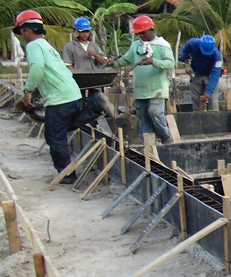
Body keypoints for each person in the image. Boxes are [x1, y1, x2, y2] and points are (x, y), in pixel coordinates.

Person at [14, 10, 98, 184]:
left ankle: (67, 174)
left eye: (22, 33)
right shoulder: (46, 45)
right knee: (65, 126)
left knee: (54, 136)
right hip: (72, 93)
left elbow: (37, 69)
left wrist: (27, 91)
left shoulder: (33, 46)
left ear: (27, 30)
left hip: (58, 98)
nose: (23, 37)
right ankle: (95, 107)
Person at [113, 15, 175, 144]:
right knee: (142, 116)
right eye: (138, 33)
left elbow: (170, 64)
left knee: (155, 112)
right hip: (141, 88)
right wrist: (112, 62)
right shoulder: (136, 46)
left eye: (142, 33)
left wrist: (153, 61)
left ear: (151, 29)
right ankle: (148, 143)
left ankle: (165, 136)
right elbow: (126, 59)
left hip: (157, 87)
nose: (141, 35)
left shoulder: (162, 46)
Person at [61, 16, 117, 121]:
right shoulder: (70, 47)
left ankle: (102, 115)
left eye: (87, 31)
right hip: (78, 81)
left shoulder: (93, 46)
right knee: (78, 103)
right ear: (77, 31)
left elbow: (104, 62)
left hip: (93, 79)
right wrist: (76, 76)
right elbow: (67, 64)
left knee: (97, 98)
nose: (85, 34)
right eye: (82, 32)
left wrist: (95, 55)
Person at [178, 34, 223, 111]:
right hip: (196, 73)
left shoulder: (217, 57)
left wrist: (208, 93)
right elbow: (184, 50)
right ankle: (197, 117)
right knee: (195, 98)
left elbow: (215, 75)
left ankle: (214, 116)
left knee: (213, 99)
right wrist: (186, 64)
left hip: (210, 75)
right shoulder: (193, 43)